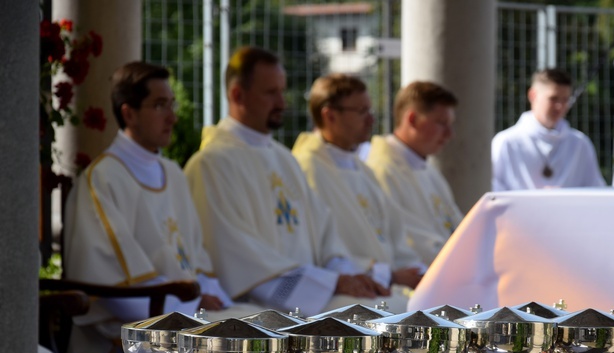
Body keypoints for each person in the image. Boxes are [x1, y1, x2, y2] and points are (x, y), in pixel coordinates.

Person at [63, 61, 256, 353]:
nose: (172, 117)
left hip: (187, 317)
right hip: (129, 338)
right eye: (159, 106)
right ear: (129, 113)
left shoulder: (172, 172)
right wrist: (189, 308)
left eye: (171, 104)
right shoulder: (102, 178)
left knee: (265, 332)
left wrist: (212, 301)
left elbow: (197, 260)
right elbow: (111, 285)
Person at [184, 46, 391, 317]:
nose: (282, 103)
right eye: (271, 93)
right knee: (377, 318)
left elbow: (327, 237)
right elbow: (242, 263)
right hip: (258, 311)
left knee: (391, 309)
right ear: (237, 95)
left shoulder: (284, 159)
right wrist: (330, 284)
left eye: (282, 91)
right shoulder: (212, 165)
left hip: (311, 298)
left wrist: (349, 276)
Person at [291, 74, 426, 305]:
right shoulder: (308, 169)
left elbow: (395, 235)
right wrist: (389, 276)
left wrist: (413, 272)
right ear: (330, 115)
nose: (371, 120)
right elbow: (326, 254)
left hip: (384, 285)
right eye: (362, 111)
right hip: (345, 291)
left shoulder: (363, 170)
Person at [366, 81, 463, 265]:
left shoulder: (427, 169)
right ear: (412, 120)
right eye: (441, 123)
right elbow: (407, 241)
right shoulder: (382, 171)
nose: (450, 134)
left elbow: (459, 225)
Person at [491, 68, 605, 191]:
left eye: (565, 100)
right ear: (533, 95)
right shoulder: (506, 142)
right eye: (553, 99)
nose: (560, 106)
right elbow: (493, 192)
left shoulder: (580, 144)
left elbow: (595, 190)